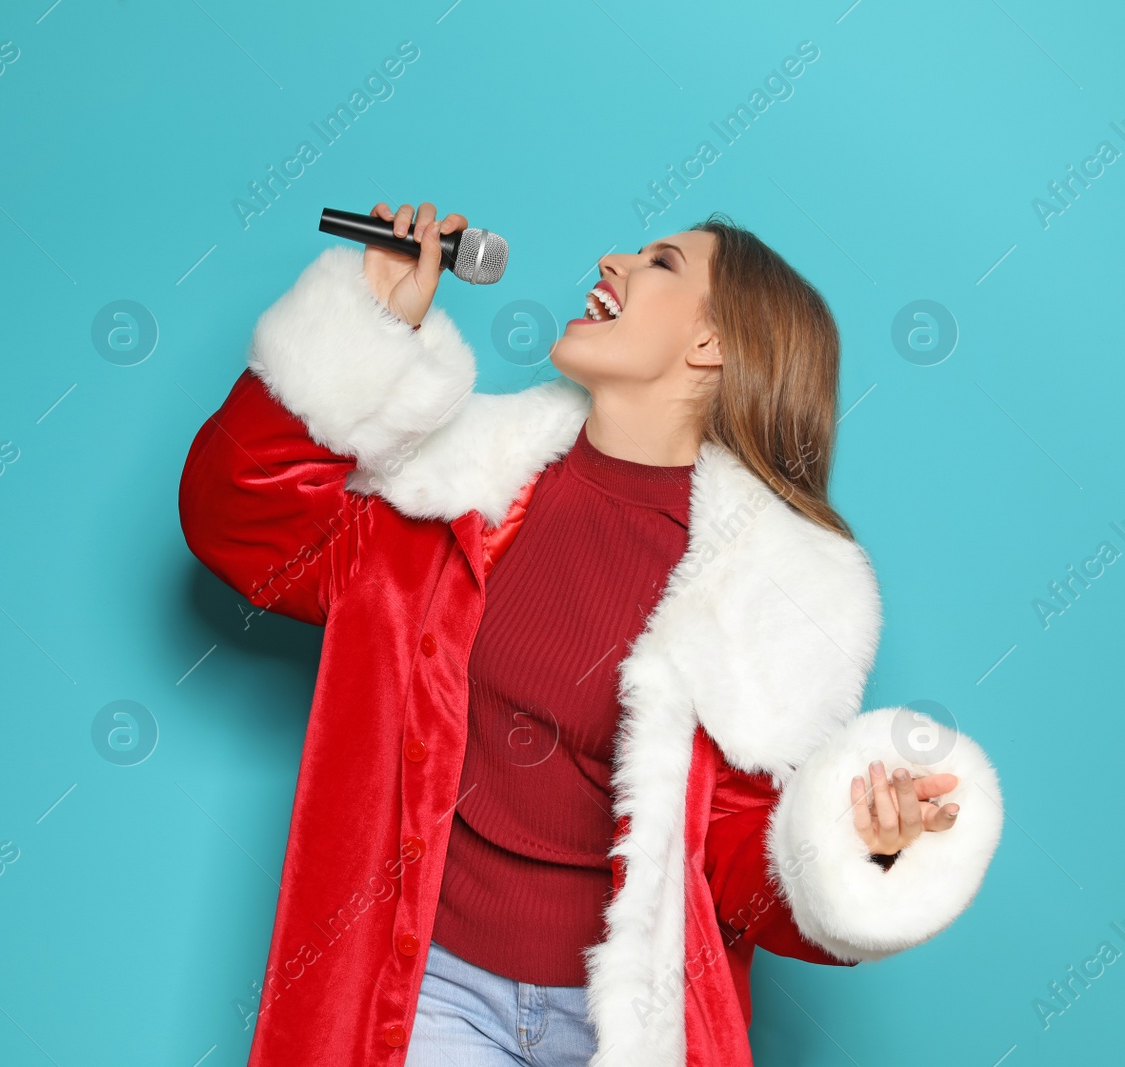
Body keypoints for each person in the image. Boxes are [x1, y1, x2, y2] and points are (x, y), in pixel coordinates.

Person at [178, 201, 1003, 1067]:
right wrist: (375, 321)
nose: (612, 259)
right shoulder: (459, 487)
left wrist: (858, 848)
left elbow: (733, 857)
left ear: (710, 346)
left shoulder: (776, 589)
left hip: (625, 1024)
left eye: (662, 263)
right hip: (430, 991)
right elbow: (242, 519)